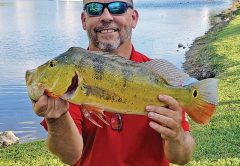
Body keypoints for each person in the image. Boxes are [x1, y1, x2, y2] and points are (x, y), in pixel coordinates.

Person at [32, 0, 196, 165]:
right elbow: (70, 156)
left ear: (134, 18)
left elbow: (181, 158)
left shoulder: (156, 78)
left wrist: (178, 136)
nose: (106, 16)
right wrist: (56, 117)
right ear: (83, 20)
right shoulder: (73, 79)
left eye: (117, 7)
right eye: (94, 8)